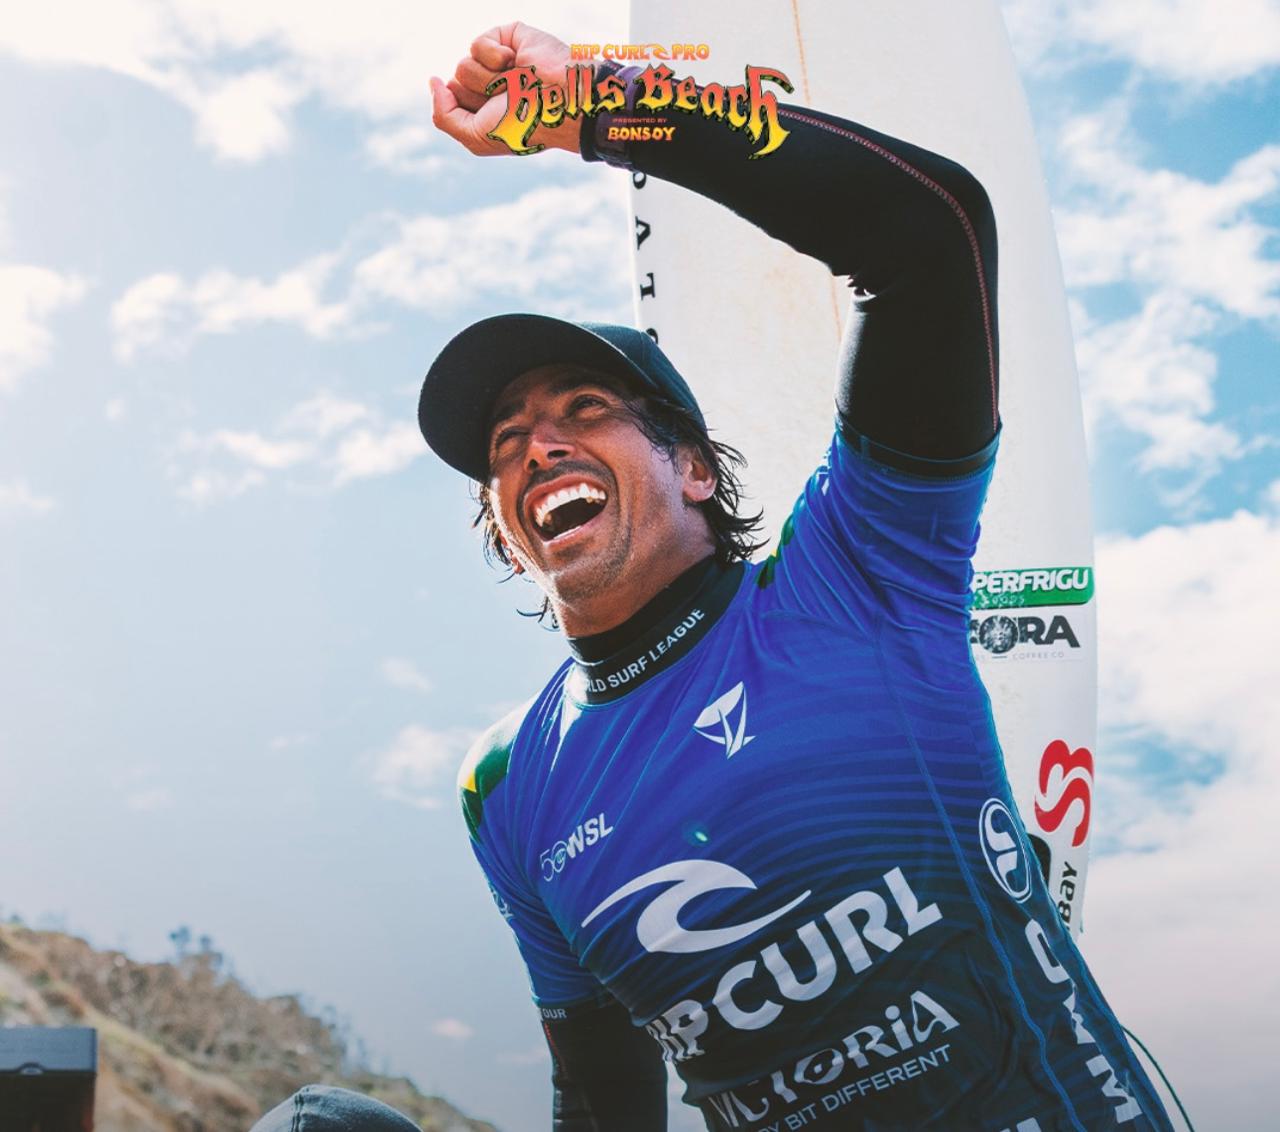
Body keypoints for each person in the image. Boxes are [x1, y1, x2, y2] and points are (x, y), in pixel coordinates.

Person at [259, 21, 1176, 1132]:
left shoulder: (854, 573)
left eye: (581, 411)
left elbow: (928, 234)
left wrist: (595, 105)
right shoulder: (507, 787)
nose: (535, 445)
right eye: (506, 442)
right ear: (508, 535)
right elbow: (602, 1102)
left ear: (693, 466)